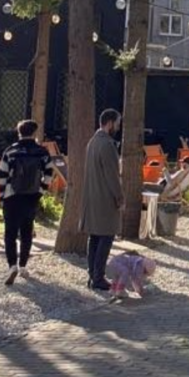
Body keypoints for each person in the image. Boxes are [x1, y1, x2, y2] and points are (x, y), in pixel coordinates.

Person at [0, 118, 53, 286]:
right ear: (34, 133)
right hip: (31, 196)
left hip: (12, 196)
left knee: (10, 233)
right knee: (27, 231)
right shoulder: (42, 152)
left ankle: (12, 265)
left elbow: (2, 176)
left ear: (19, 132)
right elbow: (49, 174)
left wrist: (1, 195)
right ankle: (23, 265)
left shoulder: (10, 151)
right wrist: (41, 191)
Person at [80, 108, 123, 291]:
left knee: (95, 237)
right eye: (117, 123)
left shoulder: (93, 142)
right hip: (105, 198)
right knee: (106, 237)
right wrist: (119, 197)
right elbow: (112, 175)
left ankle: (92, 275)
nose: (118, 127)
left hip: (91, 195)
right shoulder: (107, 145)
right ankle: (98, 277)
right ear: (110, 123)